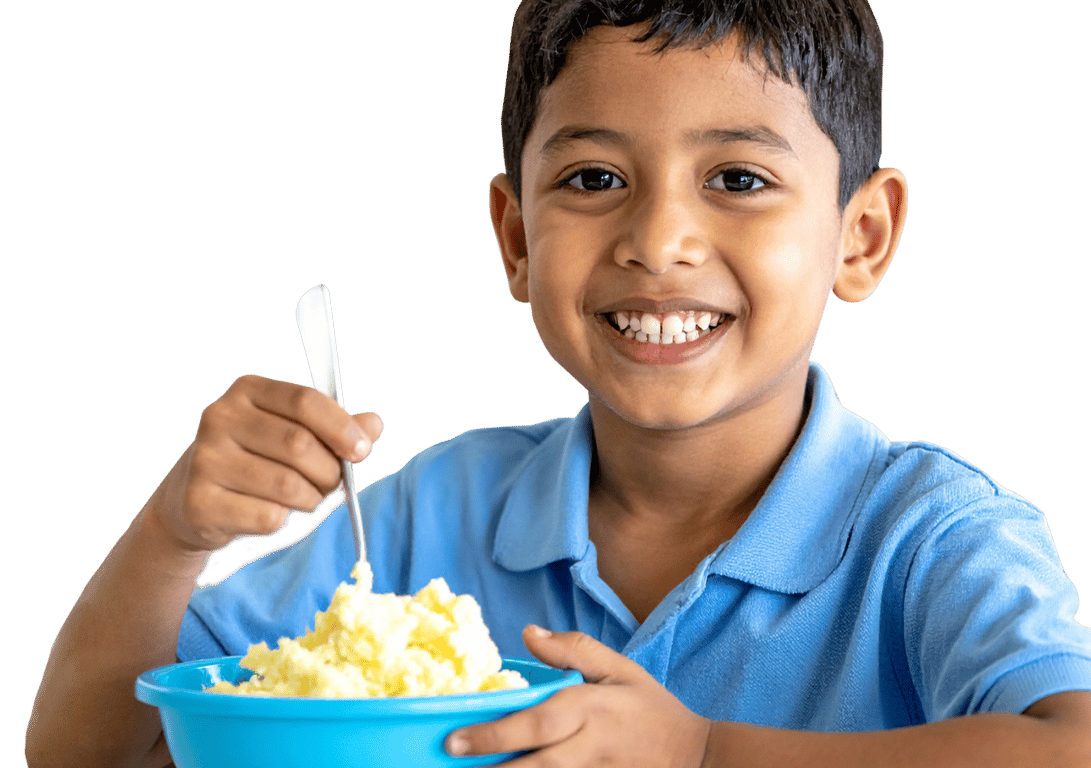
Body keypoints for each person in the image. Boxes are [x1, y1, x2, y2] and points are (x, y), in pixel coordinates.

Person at [25, 1, 1091, 766]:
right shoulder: (419, 529)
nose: (658, 239)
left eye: (737, 179)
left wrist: (703, 753)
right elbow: (102, 752)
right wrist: (176, 533)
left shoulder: (927, 533)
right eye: (592, 179)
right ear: (514, 236)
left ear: (859, 237)